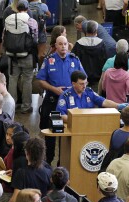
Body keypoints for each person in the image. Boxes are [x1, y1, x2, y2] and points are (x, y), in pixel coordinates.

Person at [37, 35, 85, 164]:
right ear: (55, 46)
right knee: (51, 132)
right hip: (53, 100)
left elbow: (83, 78)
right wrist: (53, 88)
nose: (63, 46)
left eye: (65, 44)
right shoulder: (49, 60)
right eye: (60, 44)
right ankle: (48, 160)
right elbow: (40, 80)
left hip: (70, 102)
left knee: (68, 132)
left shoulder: (74, 60)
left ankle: (63, 162)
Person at [4, 138, 52, 202]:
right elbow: (50, 193)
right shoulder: (48, 169)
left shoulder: (22, 173)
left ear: (27, 153)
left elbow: (14, 199)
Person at [71, 20, 107, 88]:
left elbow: (74, 61)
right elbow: (104, 61)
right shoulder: (101, 44)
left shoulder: (79, 44)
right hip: (98, 79)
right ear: (96, 31)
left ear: (85, 30)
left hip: (82, 79)